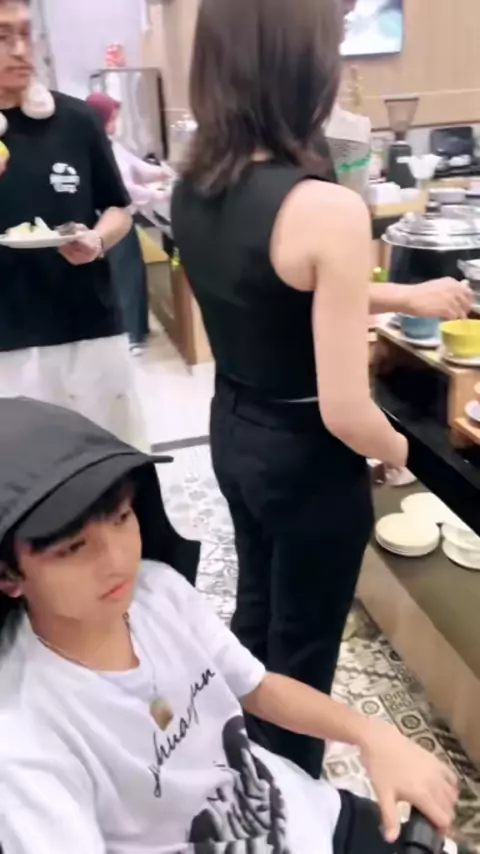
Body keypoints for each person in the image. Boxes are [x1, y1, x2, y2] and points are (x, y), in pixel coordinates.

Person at [171, 0, 473, 780]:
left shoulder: (193, 184)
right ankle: (290, 801)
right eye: (332, 43)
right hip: (307, 459)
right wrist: (408, 456)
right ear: (298, 61)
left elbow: (273, 286)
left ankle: (240, 765)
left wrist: (400, 296)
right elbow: (346, 413)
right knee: (305, 647)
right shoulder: (326, 207)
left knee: (258, 613)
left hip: (234, 429)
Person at [0, 397, 467, 854]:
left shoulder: (157, 590)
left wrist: (371, 734)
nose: (117, 560)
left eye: (123, 517)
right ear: (9, 576)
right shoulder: (24, 735)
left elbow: (256, 686)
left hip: (306, 813)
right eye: (73, 548)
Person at [0, 0, 146, 447]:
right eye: (3, 37)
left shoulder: (77, 120)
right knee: (30, 473)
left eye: (26, 34)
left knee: (113, 459)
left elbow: (118, 209)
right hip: (8, 340)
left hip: (91, 327)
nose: (20, 49)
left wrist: (98, 240)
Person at [86, 92, 173, 354]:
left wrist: (164, 171)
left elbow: (138, 168)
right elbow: (125, 188)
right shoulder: (96, 146)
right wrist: (159, 194)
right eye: (113, 118)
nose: (117, 122)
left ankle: (137, 328)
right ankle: (131, 336)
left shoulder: (112, 144)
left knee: (133, 275)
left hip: (123, 219)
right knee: (124, 278)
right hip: (109, 220)